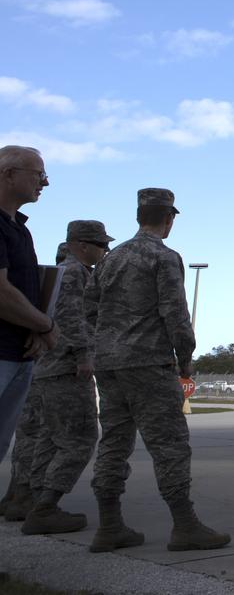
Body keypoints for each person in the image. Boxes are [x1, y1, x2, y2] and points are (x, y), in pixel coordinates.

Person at [88, 188, 229, 551]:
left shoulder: (111, 258)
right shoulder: (163, 257)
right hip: (149, 363)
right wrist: (185, 360)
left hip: (108, 364)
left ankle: (109, 525)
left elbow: (89, 309)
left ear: (139, 216)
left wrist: (100, 348)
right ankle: (185, 525)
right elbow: (176, 315)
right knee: (170, 446)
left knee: (114, 443)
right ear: (169, 219)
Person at [18, 221, 111, 535]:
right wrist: (84, 354)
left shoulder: (60, 271)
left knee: (50, 438)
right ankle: (45, 507)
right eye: (100, 245)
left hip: (48, 368)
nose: (104, 250)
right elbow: (72, 315)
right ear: (82, 245)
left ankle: (33, 500)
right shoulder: (75, 272)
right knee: (80, 439)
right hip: (67, 367)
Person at [0, 146, 55, 510]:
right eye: (38, 174)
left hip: (19, 352)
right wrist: (46, 325)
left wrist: (35, 329)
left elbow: (20, 289)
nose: (45, 182)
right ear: (8, 174)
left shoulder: (19, 229)